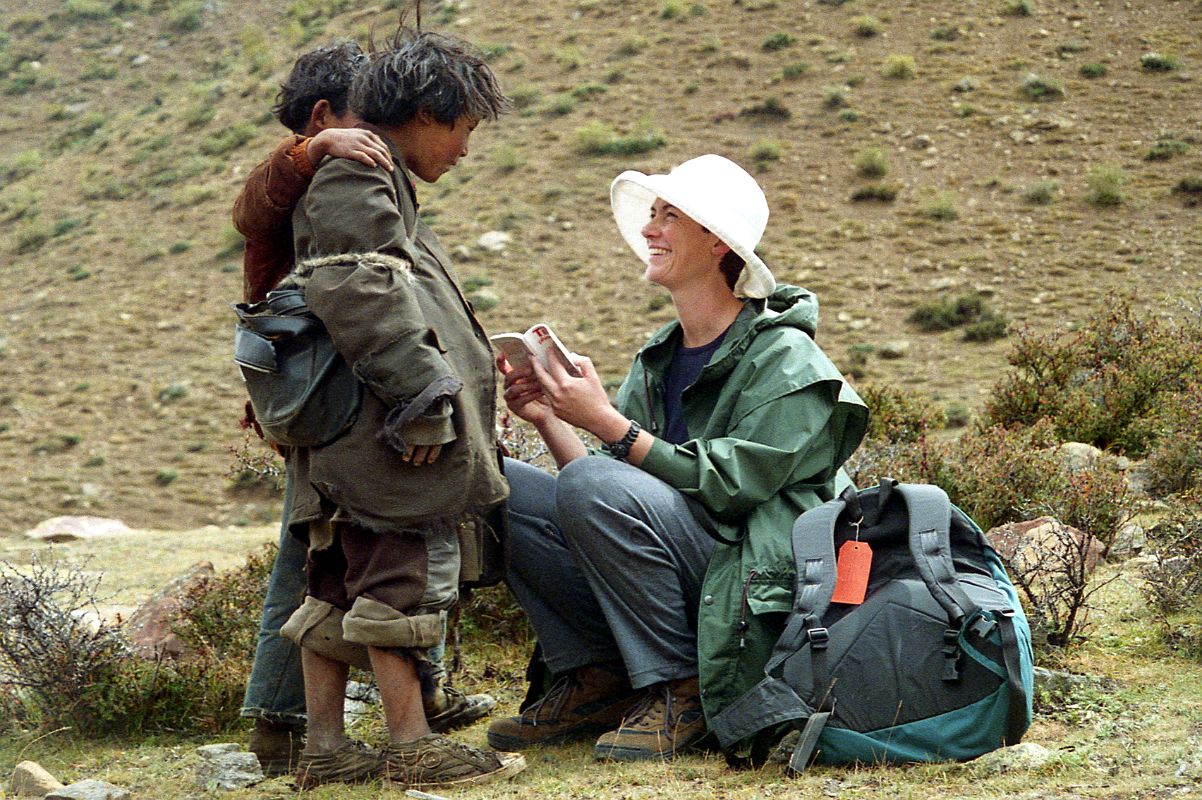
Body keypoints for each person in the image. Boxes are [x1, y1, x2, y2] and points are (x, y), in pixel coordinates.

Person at [486, 154, 868, 762]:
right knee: (499, 487)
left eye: (669, 216)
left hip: (751, 573)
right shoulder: (658, 357)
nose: (647, 229)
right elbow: (608, 487)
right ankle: (599, 680)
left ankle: (683, 690)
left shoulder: (789, 360)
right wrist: (555, 419)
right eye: (652, 215)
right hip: (691, 560)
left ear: (717, 241)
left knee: (590, 479)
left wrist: (606, 422)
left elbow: (731, 489)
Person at [232, 40, 493, 779]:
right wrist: (424, 394)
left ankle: (325, 749)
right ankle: (410, 745)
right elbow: (361, 290)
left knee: (335, 576)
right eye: (463, 129)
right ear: (423, 114)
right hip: (369, 418)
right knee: (395, 570)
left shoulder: (366, 172)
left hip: (342, 414)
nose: (466, 150)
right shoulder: (354, 170)